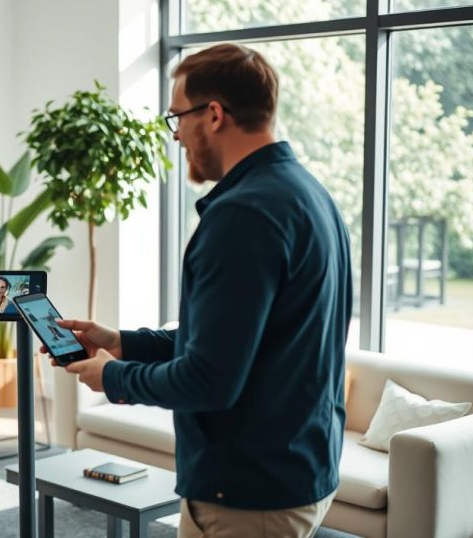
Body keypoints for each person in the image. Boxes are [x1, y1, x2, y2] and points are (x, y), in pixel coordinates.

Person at [48, 43, 352, 538]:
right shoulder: (308, 194)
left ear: (213, 115)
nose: (177, 136)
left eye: (177, 118)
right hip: (299, 469)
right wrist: (121, 341)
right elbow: (235, 343)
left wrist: (115, 377)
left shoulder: (242, 216)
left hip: (247, 495)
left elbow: (210, 380)